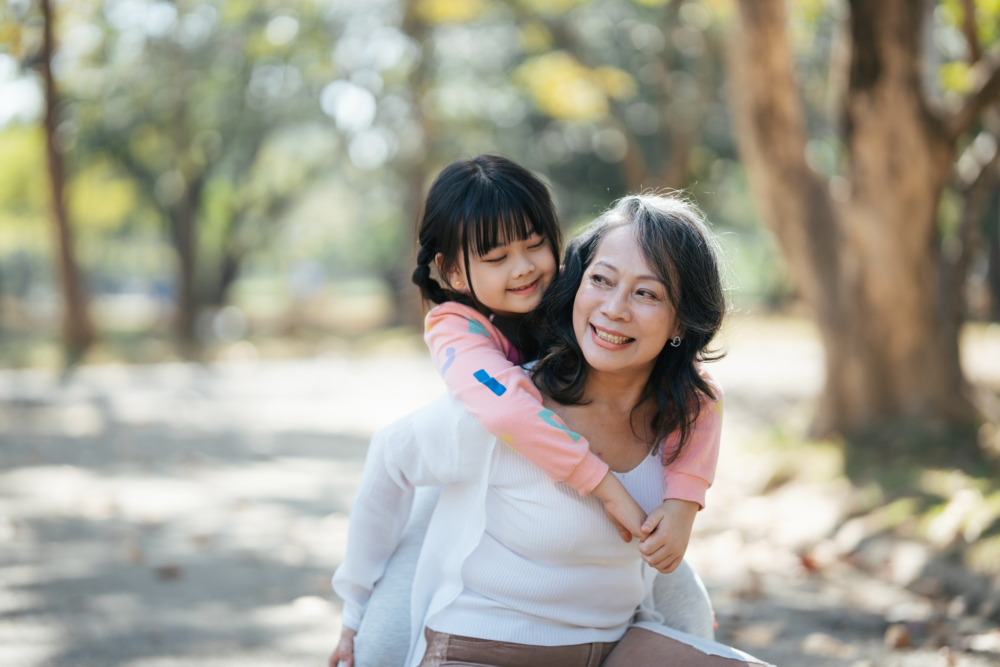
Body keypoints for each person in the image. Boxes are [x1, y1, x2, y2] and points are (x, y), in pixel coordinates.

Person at [329, 194, 770, 667]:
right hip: (486, 648)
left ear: (681, 319)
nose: (615, 308)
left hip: (613, 647)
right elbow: (391, 456)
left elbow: (704, 400)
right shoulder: (504, 401)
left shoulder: (685, 409)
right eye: (600, 280)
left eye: (647, 293)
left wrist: (683, 508)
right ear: (578, 284)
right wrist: (357, 614)